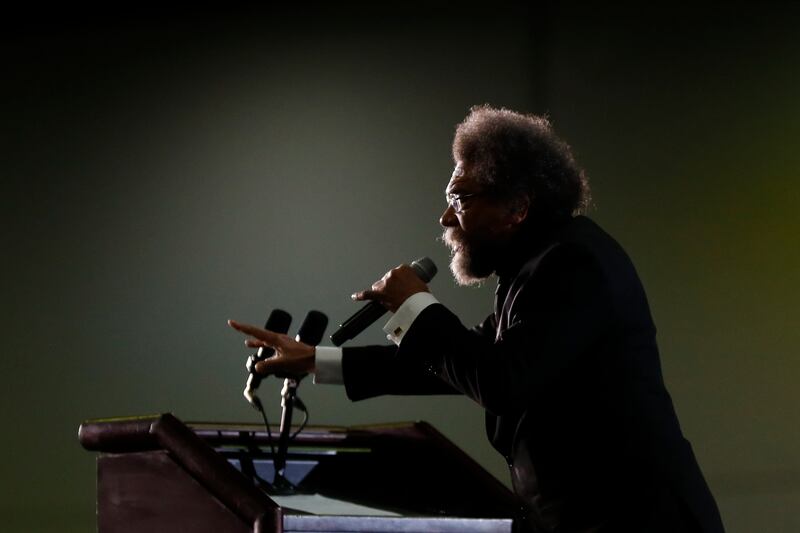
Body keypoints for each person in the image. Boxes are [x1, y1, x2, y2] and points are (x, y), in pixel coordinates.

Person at [229, 105, 725, 533]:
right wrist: (318, 361)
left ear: (516, 207)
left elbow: (501, 381)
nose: (446, 219)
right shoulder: (537, 269)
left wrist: (415, 305)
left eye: (460, 199)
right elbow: (457, 363)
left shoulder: (574, 264)